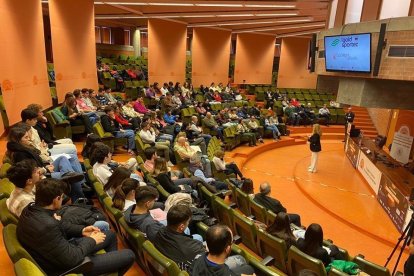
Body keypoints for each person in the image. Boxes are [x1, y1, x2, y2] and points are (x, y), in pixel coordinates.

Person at [16, 178, 135, 275]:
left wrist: (82, 230)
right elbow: (72, 258)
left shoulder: (31, 209)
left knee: (110, 235)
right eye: (62, 197)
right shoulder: (47, 225)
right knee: (129, 255)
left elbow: (60, 225)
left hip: (59, 251)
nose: (62, 200)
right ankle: (108, 266)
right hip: (68, 267)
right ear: (56, 199)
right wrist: (92, 240)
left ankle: (108, 267)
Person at [6, 124, 85, 202]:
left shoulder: (24, 147)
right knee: (74, 177)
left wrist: (46, 166)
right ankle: (79, 198)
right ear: (18, 140)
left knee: (64, 159)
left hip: (44, 168)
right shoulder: (20, 154)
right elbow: (31, 173)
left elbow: (38, 159)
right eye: (26, 137)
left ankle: (71, 177)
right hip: (41, 177)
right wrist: (46, 169)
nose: (29, 138)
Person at [153, 204, 206, 272]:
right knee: (198, 237)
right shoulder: (194, 248)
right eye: (188, 221)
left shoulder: (160, 232)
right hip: (183, 262)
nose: (188, 223)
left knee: (194, 235)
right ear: (181, 226)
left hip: (170, 253)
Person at [191, 224, 255, 275]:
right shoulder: (225, 273)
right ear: (227, 249)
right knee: (249, 269)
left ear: (207, 245)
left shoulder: (198, 258)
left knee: (248, 269)